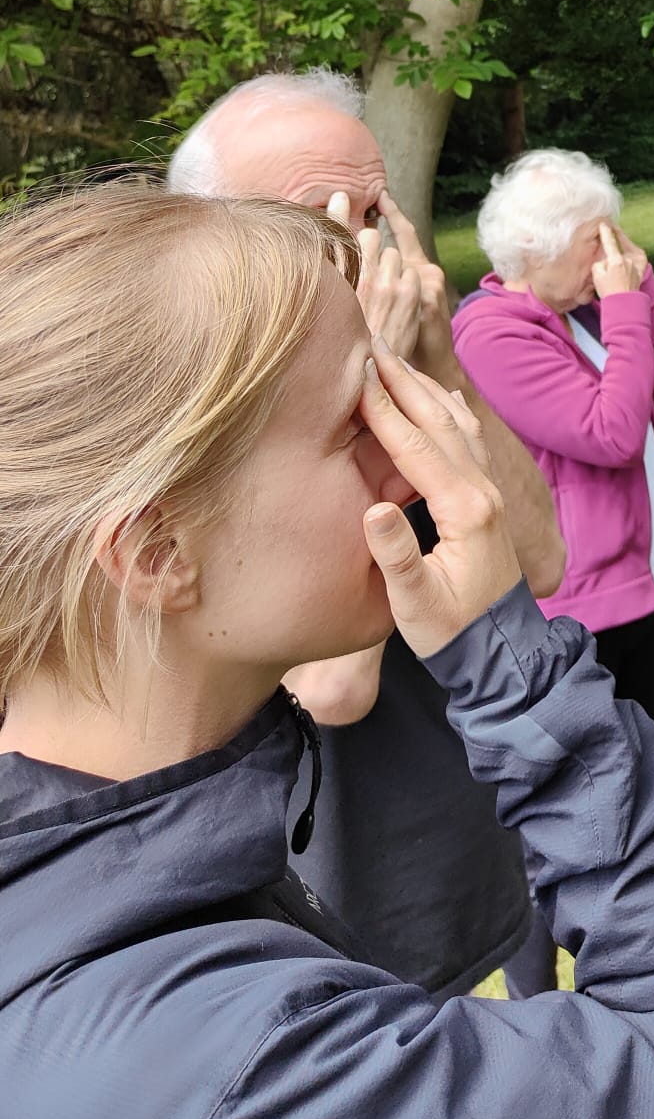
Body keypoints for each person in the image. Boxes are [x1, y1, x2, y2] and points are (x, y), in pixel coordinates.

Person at [0, 182, 654, 1119]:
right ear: (156, 554)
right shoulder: (255, 1066)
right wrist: (509, 665)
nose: (425, 457)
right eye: (361, 422)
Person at [166, 70, 565, 1000]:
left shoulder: (404, 362)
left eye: (377, 208)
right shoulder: (176, 422)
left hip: (446, 847)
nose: (369, 246)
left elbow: (542, 559)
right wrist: (349, 384)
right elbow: (333, 689)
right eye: (325, 217)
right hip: (303, 900)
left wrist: (430, 360)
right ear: (208, 242)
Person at [454, 149, 654, 727]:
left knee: (649, 757)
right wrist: (625, 306)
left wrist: (645, 292)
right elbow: (612, 435)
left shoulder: (581, 312)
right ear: (539, 248)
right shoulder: (491, 333)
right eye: (596, 239)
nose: (611, 254)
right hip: (579, 603)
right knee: (612, 777)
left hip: (635, 580)